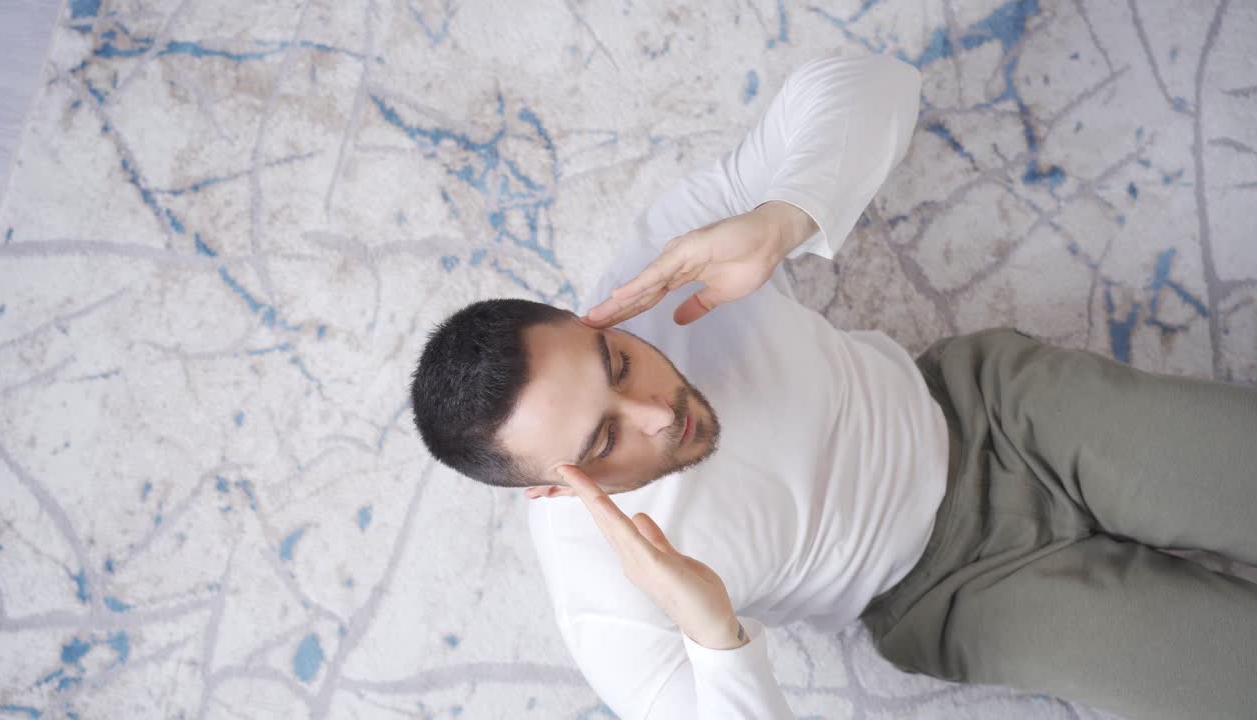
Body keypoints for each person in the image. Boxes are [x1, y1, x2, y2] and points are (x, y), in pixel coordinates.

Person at [409, 53, 1257, 719]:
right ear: (551, 495)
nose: (657, 412)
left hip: (998, 413)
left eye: (618, 362)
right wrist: (714, 635)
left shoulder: (660, 271)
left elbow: (874, 82)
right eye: (603, 440)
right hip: (950, 597)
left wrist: (785, 216)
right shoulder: (603, 596)